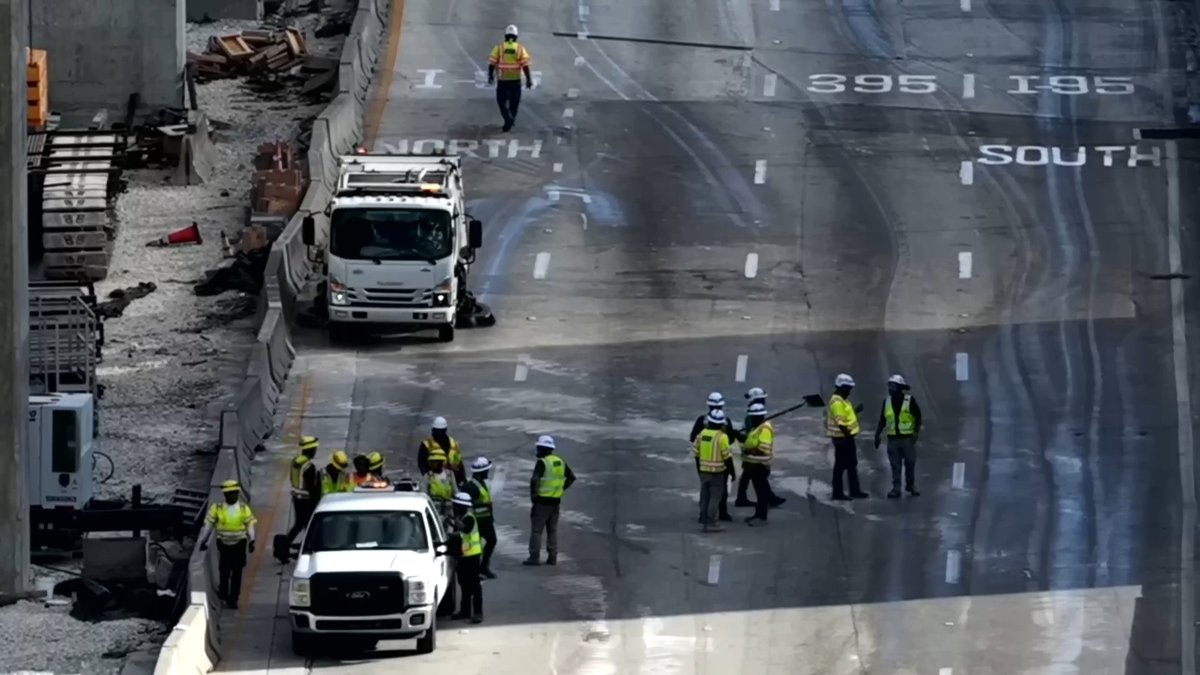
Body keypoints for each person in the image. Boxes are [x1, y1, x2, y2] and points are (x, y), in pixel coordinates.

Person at [198, 480, 257, 609]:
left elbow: (250, 525)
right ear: (225, 495)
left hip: (239, 545)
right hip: (224, 545)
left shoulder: (243, 508)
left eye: (234, 493)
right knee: (224, 570)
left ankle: (233, 598)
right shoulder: (217, 508)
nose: (232, 496)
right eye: (229, 494)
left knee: (236, 573)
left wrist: (252, 540)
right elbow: (208, 527)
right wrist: (203, 541)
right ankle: (224, 593)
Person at [523, 435, 576, 566]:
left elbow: (535, 479)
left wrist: (534, 496)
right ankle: (552, 557)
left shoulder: (543, 462)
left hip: (542, 502)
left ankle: (534, 557)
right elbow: (571, 477)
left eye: (538, 448)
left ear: (543, 448)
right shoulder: (560, 461)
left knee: (537, 531)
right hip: (555, 502)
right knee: (552, 530)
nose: (537, 450)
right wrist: (560, 489)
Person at [874, 374, 923, 498]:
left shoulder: (909, 401)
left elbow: (918, 417)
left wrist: (916, 433)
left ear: (900, 388)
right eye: (889, 386)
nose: (890, 389)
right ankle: (896, 489)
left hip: (907, 438)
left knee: (910, 463)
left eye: (893, 386)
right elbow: (882, 419)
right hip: (893, 439)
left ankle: (910, 485)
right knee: (895, 466)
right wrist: (877, 434)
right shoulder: (887, 402)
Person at [691, 392, 735, 522]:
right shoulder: (725, 422)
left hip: (703, 464)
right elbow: (731, 439)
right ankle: (721, 514)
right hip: (721, 465)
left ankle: (703, 515)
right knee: (720, 491)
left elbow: (693, 438)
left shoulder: (702, 420)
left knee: (705, 491)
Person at [828, 373, 869, 501]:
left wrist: (856, 410)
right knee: (841, 466)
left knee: (851, 464)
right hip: (843, 439)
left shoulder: (843, 400)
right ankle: (838, 493)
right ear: (842, 387)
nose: (850, 391)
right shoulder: (837, 402)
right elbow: (841, 423)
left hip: (846, 438)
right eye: (848, 388)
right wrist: (848, 437)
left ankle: (854, 490)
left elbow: (846, 417)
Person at [486, 24, 533, 132]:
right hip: (516, 81)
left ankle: (508, 118)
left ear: (505, 36)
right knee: (514, 102)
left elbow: (492, 63)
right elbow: (525, 65)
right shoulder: (520, 48)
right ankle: (511, 119)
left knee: (501, 102)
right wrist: (529, 80)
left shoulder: (499, 48)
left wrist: (490, 76)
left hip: (503, 81)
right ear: (516, 37)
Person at [449, 491, 484, 623]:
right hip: (463, 557)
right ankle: (465, 611)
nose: (453, 507)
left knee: (474, 585)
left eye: (455, 505)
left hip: (472, 557)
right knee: (464, 585)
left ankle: (478, 613)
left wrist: (455, 521)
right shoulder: (462, 517)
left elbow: (464, 529)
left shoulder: (468, 518)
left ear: (460, 506)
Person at [463, 457, 498, 579]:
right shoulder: (471, 487)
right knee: (474, 548)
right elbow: (468, 504)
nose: (487, 473)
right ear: (480, 472)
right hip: (476, 522)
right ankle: (475, 570)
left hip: (486, 520)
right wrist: (485, 505)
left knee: (492, 541)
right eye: (486, 471)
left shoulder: (481, 483)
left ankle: (483, 567)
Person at [284, 436, 321, 547]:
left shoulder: (296, 461)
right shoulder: (309, 466)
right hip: (306, 500)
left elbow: (292, 477)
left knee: (301, 524)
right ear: (310, 450)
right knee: (307, 524)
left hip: (296, 497)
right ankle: (286, 545)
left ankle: (299, 544)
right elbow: (311, 487)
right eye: (314, 449)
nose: (315, 451)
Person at [418, 417, 465, 484]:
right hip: (435, 482)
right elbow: (422, 465)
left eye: (440, 431)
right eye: (436, 431)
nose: (438, 434)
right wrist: (428, 479)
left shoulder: (454, 444)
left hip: (454, 481)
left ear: (445, 430)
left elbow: (459, 464)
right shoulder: (427, 444)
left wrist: (463, 480)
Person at [425, 450, 456, 515]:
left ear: (441, 462)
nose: (432, 464)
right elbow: (424, 494)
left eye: (434, 462)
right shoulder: (428, 476)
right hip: (435, 509)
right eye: (431, 462)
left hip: (448, 509)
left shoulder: (449, 474)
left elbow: (455, 491)